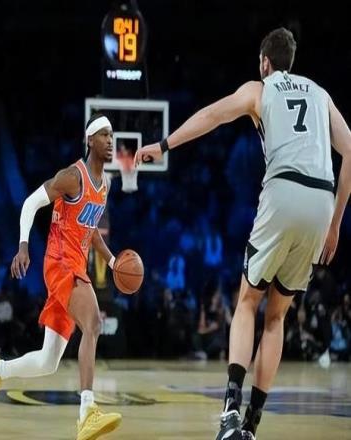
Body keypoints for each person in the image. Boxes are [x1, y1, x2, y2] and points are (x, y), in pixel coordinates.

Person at [135, 27, 351, 440]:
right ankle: (252, 424)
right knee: (278, 316)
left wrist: (163, 145)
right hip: (322, 201)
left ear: (265, 62)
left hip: (284, 188)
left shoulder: (259, 88)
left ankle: (230, 413)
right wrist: (336, 221)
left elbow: (212, 115)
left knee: (247, 301)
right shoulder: (321, 94)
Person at [0, 114, 122, 440]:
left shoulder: (106, 185)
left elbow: (91, 230)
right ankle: (87, 412)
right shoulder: (72, 176)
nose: (110, 141)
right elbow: (30, 203)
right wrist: (23, 246)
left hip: (75, 265)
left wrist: (112, 262)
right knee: (93, 324)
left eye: (112, 136)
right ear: (90, 140)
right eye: (104, 135)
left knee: (48, 361)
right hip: (59, 263)